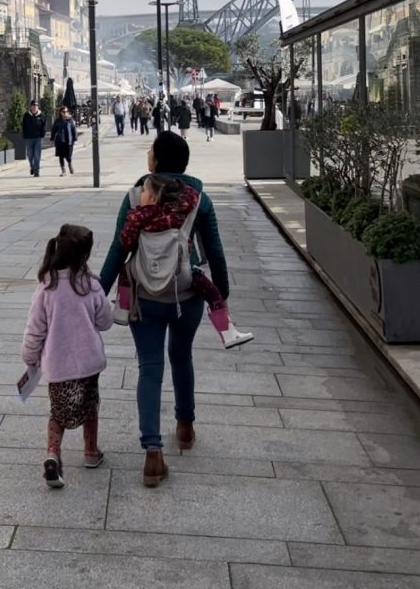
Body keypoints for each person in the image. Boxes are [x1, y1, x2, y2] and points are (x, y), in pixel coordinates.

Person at [99, 131, 229, 487]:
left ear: (155, 159)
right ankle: (185, 426)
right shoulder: (199, 198)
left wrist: (97, 292)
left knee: (150, 368)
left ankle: (152, 453)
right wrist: (223, 290)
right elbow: (214, 249)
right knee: (182, 356)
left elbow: (117, 250)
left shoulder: (135, 195)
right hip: (186, 292)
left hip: (145, 297)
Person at [21, 224, 113, 488]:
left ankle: (53, 454)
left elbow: (34, 329)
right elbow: (105, 321)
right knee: (90, 406)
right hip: (88, 364)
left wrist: (29, 357)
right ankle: (90, 452)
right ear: (84, 255)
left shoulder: (46, 287)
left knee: (58, 413)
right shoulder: (91, 284)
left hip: (58, 366)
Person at [120, 175, 253, 349]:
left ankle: (122, 308)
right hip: (180, 276)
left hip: (143, 276)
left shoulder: (137, 218)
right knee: (212, 293)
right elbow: (193, 241)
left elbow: (125, 243)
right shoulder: (178, 215)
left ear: (154, 197)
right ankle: (228, 332)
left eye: (144, 190)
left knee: (126, 269)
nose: (140, 193)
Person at [22, 99, 46, 177]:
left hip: (38, 138)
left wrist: (42, 134)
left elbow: (44, 126)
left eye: (36, 105)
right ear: (30, 107)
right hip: (29, 138)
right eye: (33, 105)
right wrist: (24, 135)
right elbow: (24, 126)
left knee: (37, 154)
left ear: (38, 106)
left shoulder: (42, 115)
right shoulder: (26, 115)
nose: (35, 107)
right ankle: (32, 167)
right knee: (29, 154)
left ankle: (36, 171)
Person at [50, 105, 77, 175]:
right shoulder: (58, 121)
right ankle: (63, 170)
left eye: (67, 111)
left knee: (68, 156)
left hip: (69, 142)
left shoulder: (71, 120)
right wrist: (52, 138)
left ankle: (70, 164)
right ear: (60, 113)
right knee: (61, 156)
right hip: (60, 141)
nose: (65, 113)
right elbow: (53, 130)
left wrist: (75, 139)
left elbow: (74, 130)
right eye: (64, 112)